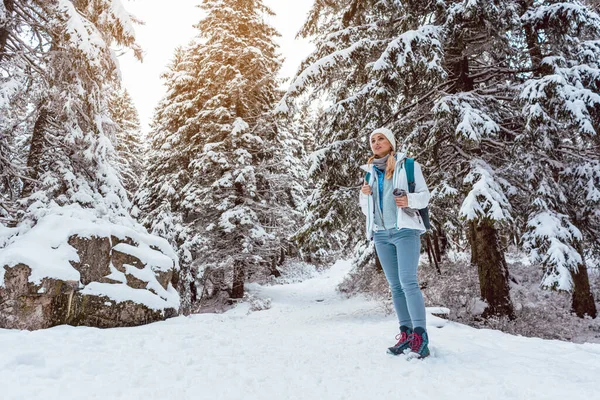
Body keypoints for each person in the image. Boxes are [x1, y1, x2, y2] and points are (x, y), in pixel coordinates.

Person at [359, 127, 431, 359]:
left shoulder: (408, 165)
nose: (376, 142)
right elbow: (366, 210)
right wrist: (364, 194)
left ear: (390, 142)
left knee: (408, 281)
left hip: (404, 231)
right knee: (395, 286)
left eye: (381, 139)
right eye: (373, 140)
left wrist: (408, 199)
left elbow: (424, 196)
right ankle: (406, 334)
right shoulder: (369, 173)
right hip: (381, 234)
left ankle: (421, 337)